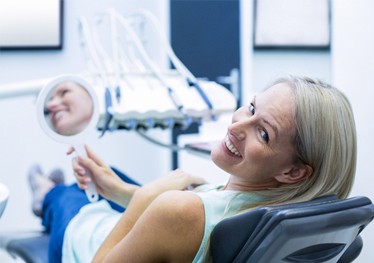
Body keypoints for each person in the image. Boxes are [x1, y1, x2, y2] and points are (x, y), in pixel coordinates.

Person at [29, 75, 357, 262]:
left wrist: (146, 197)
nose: (237, 124)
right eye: (252, 107)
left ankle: (45, 192)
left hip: (84, 248)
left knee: (69, 199)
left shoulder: (179, 211)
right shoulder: (281, 214)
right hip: (152, 233)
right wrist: (124, 193)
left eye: (263, 132)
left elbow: (171, 217)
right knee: (113, 176)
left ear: (294, 172)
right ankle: (98, 189)